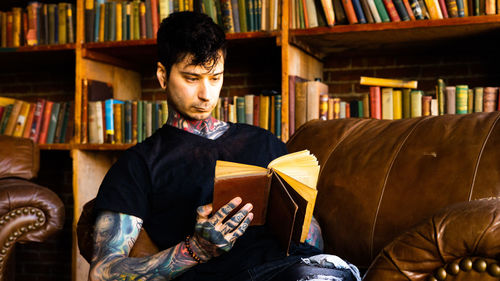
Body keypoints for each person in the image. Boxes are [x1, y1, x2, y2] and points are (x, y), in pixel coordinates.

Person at [89, 11, 359, 281]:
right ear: (162, 76)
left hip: (300, 268)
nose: (207, 94)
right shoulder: (138, 164)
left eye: (215, 77)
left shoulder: (263, 141)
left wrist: (300, 220)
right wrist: (197, 248)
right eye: (192, 78)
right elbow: (102, 273)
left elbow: (313, 241)